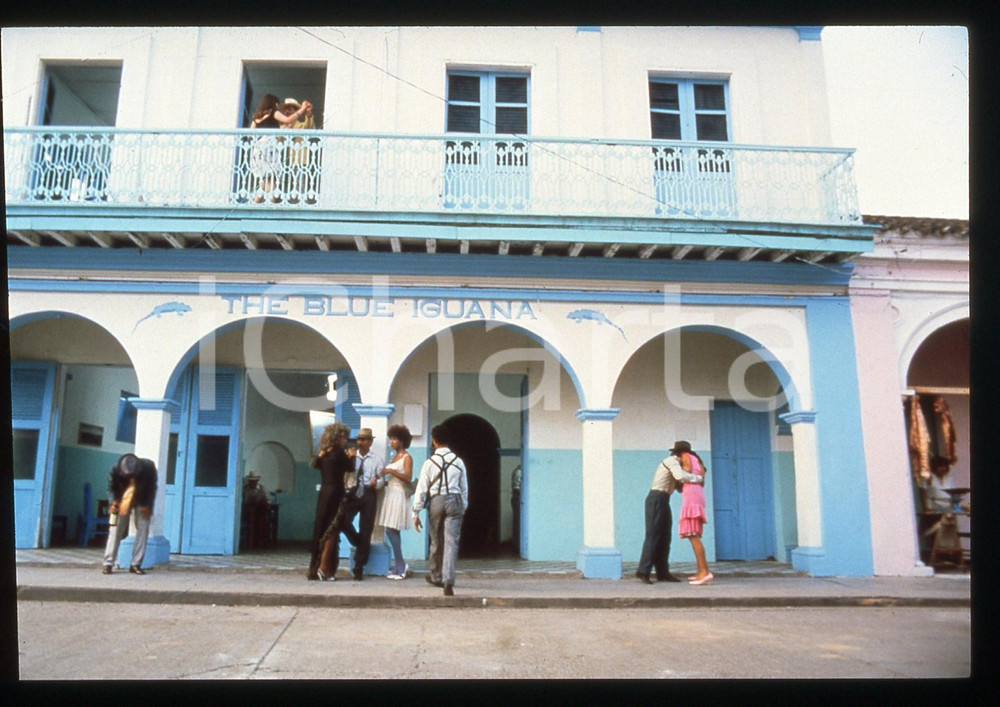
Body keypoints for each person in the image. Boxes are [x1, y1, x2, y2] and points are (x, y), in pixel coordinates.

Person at [636, 440, 704, 584]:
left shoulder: (676, 465)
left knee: (665, 537)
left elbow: (679, 487)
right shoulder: (671, 462)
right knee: (653, 535)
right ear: (682, 454)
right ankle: (643, 571)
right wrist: (698, 478)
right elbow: (680, 477)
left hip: (664, 499)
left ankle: (663, 572)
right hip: (656, 498)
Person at [412, 425, 468, 596]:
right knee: (451, 542)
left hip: (436, 500)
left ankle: (436, 576)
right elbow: (464, 488)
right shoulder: (458, 461)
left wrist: (416, 512)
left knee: (436, 540)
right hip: (455, 500)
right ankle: (448, 581)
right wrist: (463, 507)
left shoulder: (429, 463)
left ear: (434, 441)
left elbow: (422, 488)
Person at [308, 422, 353, 581]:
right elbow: (350, 468)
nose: (346, 440)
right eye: (344, 437)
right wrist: (352, 456)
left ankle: (319, 567)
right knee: (332, 530)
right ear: (338, 438)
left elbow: (316, 464)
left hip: (324, 493)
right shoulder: (339, 454)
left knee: (323, 528)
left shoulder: (324, 454)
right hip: (336, 493)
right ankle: (324, 567)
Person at [249, 93, 312, 203]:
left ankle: (256, 203)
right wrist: (302, 109)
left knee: (266, 179)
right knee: (272, 178)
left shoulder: (256, 117)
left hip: (258, 150)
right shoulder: (273, 112)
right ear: (273, 103)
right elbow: (287, 120)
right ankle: (271, 204)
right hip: (269, 148)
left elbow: (250, 135)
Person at [102, 453, 158, 575]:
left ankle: (135, 564)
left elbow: (152, 488)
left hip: (142, 499)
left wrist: (148, 506)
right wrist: (113, 502)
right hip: (123, 498)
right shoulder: (115, 469)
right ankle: (108, 563)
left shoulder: (149, 467)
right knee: (115, 528)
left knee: (143, 527)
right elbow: (112, 488)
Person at [342, 427, 385, 580]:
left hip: (368, 492)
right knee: (343, 520)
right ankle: (357, 541)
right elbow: (345, 473)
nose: (360, 442)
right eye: (359, 439)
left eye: (364, 439)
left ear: (370, 442)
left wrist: (376, 483)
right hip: (353, 492)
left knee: (366, 528)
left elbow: (381, 478)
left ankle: (359, 566)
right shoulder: (351, 456)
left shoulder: (376, 459)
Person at [375, 424, 414, 579]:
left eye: (395, 439)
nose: (391, 442)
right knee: (391, 530)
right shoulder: (395, 456)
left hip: (398, 495)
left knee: (391, 530)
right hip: (390, 492)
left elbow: (408, 478)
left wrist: (390, 471)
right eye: (391, 439)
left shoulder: (407, 457)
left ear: (402, 441)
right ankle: (398, 566)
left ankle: (401, 565)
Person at [678, 450, 713, 585]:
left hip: (691, 498)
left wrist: (679, 470)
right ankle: (701, 571)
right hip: (698, 496)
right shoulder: (699, 463)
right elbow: (702, 482)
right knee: (694, 535)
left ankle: (704, 572)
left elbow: (686, 472)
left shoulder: (685, 456)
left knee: (693, 536)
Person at [280, 97, 319, 204]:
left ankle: (298, 204)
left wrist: (309, 114)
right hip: (283, 162)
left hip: (298, 161)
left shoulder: (301, 125)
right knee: (283, 184)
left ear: (296, 111)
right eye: (286, 109)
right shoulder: (281, 127)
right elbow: (278, 139)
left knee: (299, 185)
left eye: (290, 109)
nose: (287, 111)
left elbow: (310, 128)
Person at [241, 471, 270, 550]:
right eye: (251, 481)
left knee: (262, 520)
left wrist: (264, 501)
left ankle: (260, 543)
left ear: (257, 481)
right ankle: (250, 543)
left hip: (260, 510)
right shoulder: (245, 489)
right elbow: (243, 501)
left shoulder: (261, 488)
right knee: (251, 518)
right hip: (248, 510)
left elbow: (267, 500)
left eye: (254, 481)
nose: (252, 482)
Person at [510, 464, 522, 555]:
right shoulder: (519, 471)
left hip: (516, 496)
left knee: (517, 522)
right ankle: (517, 546)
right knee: (518, 522)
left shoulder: (518, 470)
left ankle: (516, 545)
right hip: (518, 496)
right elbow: (518, 487)